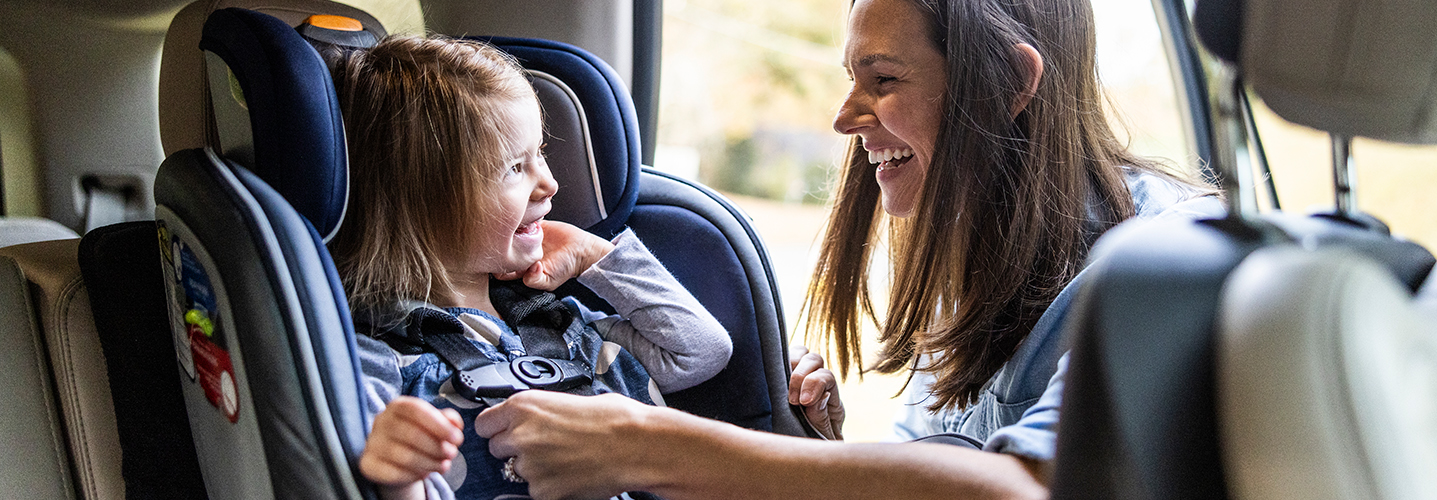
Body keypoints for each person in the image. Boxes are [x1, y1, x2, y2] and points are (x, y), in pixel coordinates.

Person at [474, 0, 1224, 498]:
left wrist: (644, 442)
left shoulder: (1159, 261)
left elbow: (1022, 488)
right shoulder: (979, 255)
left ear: (1010, 83)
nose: (844, 116)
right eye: (851, 79)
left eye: (884, 79)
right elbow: (944, 465)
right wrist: (829, 447)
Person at [324, 36, 733, 500]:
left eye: (540, 153)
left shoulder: (561, 324)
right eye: (514, 168)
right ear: (421, 204)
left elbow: (701, 352)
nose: (550, 182)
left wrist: (595, 255)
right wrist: (401, 475)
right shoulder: (379, 361)